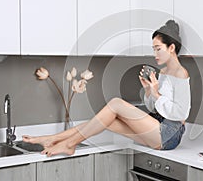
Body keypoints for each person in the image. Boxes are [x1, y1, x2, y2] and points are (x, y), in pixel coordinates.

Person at [22, 20, 191, 156]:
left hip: (169, 134)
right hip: (156, 126)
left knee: (116, 103)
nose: (155, 54)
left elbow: (181, 114)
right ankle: (52, 139)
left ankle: (68, 144)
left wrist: (156, 93)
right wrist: (149, 92)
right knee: (107, 121)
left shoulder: (181, 73)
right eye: (153, 49)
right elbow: (155, 108)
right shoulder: (164, 71)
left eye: (158, 49)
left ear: (171, 48)